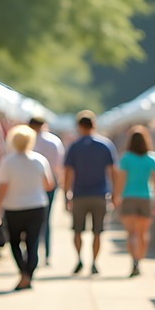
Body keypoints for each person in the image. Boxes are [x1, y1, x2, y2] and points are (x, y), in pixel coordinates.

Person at [0, 124, 54, 290]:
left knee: (14, 242)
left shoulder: (7, 162)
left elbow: (2, 190)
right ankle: (29, 274)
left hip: (14, 207)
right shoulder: (39, 160)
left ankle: (23, 273)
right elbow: (49, 185)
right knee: (33, 242)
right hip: (36, 205)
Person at [63, 110, 117, 276]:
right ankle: (94, 262)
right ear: (94, 124)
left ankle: (79, 259)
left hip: (79, 194)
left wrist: (66, 193)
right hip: (100, 194)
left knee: (77, 231)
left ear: (79, 126)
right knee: (97, 232)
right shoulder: (105, 145)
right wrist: (114, 193)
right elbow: (113, 171)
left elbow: (68, 172)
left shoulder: (75, 146)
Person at [113, 125, 155, 277]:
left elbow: (121, 179)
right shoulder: (152, 157)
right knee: (142, 234)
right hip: (146, 197)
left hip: (129, 197)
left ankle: (134, 260)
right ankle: (139, 260)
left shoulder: (126, 158)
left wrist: (116, 195)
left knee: (131, 234)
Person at [28, 116, 64, 266]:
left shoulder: (26, 140)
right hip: (49, 184)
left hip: (30, 184)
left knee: (30, 220)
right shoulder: (53, 141)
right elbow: (58, 165)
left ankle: (31, 253)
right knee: (46, 219)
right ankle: (47, 254)